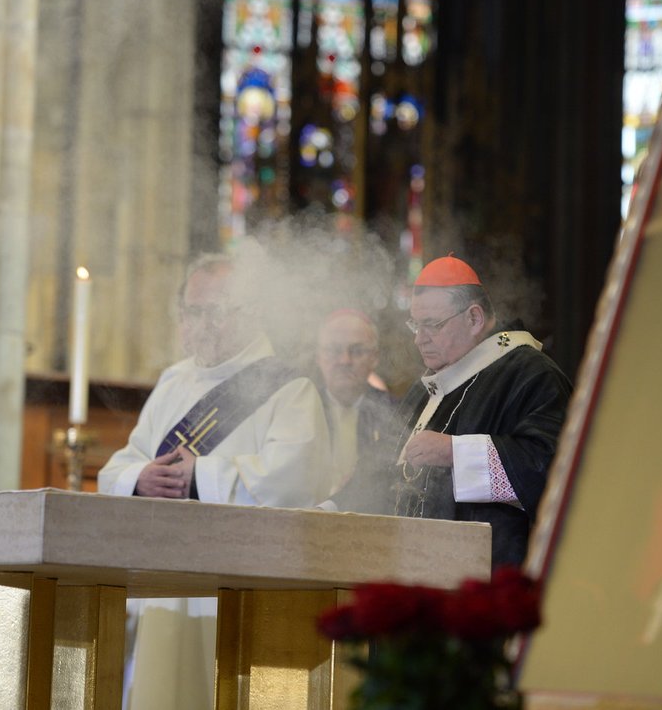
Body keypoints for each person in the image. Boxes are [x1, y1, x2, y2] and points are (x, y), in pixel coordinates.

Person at [97, 253, 332, 710]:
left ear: (252, 312)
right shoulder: (174, 381)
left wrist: (200, 476)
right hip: (165, 582)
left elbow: (294, 483)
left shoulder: (287, 387)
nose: (201, 325)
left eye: (215, 312)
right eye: (192, 312)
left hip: (239, 585)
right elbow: (118, 468)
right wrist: (140, 478)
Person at [386, 254, 572, 567]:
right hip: (413, 572)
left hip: (489, 586)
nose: (419, 339)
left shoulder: (531, 375)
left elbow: (555, 472)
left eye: (432, 325)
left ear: (474, 318)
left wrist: (456, 453)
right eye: (415, 325)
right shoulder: (425, 390)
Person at [313, 309, 397, 500]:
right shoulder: (299, 410)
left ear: (374, 357)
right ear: (318, 356)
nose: (345, 360)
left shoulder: (396, 413)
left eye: (357, 351)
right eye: (333, 350)